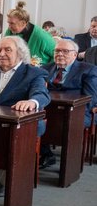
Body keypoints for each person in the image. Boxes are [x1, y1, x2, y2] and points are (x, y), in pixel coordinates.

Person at [0, 36, 50, 195]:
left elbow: (42, 94)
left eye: (7, 50)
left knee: (14, 142)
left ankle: (6, 176)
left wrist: (32, 102)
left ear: (20, 53)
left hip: (19, 126)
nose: (1, 53)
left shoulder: (34, 73)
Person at [39, 39, 97, 168]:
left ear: (75, 55)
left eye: (65, 51)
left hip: (78, 112)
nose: (60, 54)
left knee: (63, 124)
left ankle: (70, 164)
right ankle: (46, 154)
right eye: (57, 51)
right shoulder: (45, 68)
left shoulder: (88, 70)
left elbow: (91, 97)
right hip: (49, 110)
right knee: (34, 122)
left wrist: (78, 112)